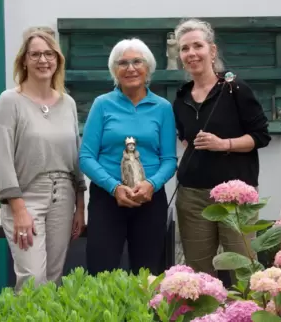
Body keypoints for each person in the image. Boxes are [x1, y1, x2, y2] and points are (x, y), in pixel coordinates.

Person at [172, 19, 272, 278]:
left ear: (212, 51)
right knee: (200, 273)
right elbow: (185, 138)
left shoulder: (235, 89)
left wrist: (224, 144)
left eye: (198, 46)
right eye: (185, 48)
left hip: (235, 197)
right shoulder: (181, 98)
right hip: (192, 196)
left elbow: (261, 135)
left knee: (245, 269)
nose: (191, 53)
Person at [0, 30, 86, 292]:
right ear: (24, 60)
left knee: (54, 278)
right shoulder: (10, 101)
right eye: (35, 54)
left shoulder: (67, 103)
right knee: (32, 279)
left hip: (64, 197)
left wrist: (80, 205)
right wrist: (18, 209)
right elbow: (1, 157)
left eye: (49, 54)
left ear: (57, 59)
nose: (43, 60)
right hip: (26, 197)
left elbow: (74, 155)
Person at [79, 38, 177, 276]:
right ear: (115, 70)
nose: (130, 68)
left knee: (148, 273)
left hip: (150, 199)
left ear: (148, 68)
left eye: (137, 62)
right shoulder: (102, 105)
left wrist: (151, 184)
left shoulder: (162, 107)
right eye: (122, 63)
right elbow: (86, 156)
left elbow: (170, 160)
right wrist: (114, 188)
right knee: (101, 272)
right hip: (107, 198)